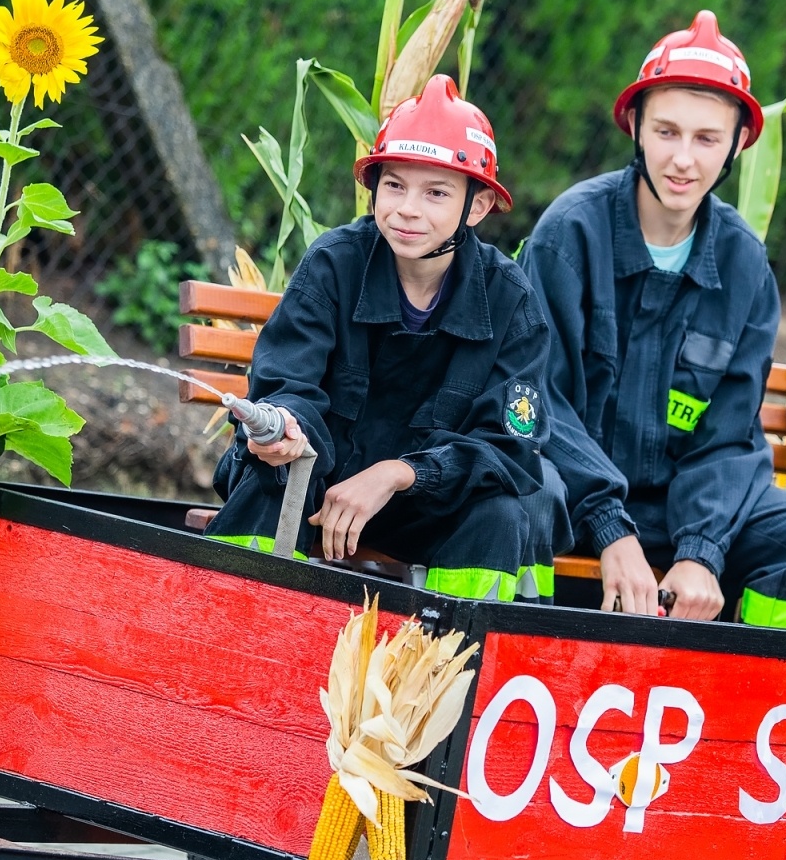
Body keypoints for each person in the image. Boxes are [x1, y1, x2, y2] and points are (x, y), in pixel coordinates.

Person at [519, 10, 786, 625]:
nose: (683, 159)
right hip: (572, 494)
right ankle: (525, 654)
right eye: (667, 131)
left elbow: (729, 435)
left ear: (737, 144)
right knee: (524, 493)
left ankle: (748, 680)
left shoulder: (744, 263)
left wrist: (701, 550)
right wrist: (610, 526)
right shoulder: (570, 235)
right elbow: (537, 400)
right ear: (635, 127)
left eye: (706, 138)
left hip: (678, 513)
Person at [206, 74, 562, 603]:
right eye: (394, 185)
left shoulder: (511, 301)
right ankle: (229, 624)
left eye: (436, 192)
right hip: (315, 487)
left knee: (500, 513)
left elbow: (507, 450)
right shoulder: (333, 265)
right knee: (267, 479)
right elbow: (287, 385)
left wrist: (400, 473)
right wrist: (283, 429)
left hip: (424, 504)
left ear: (478, 206)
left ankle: (456, 646)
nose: (407, 209)